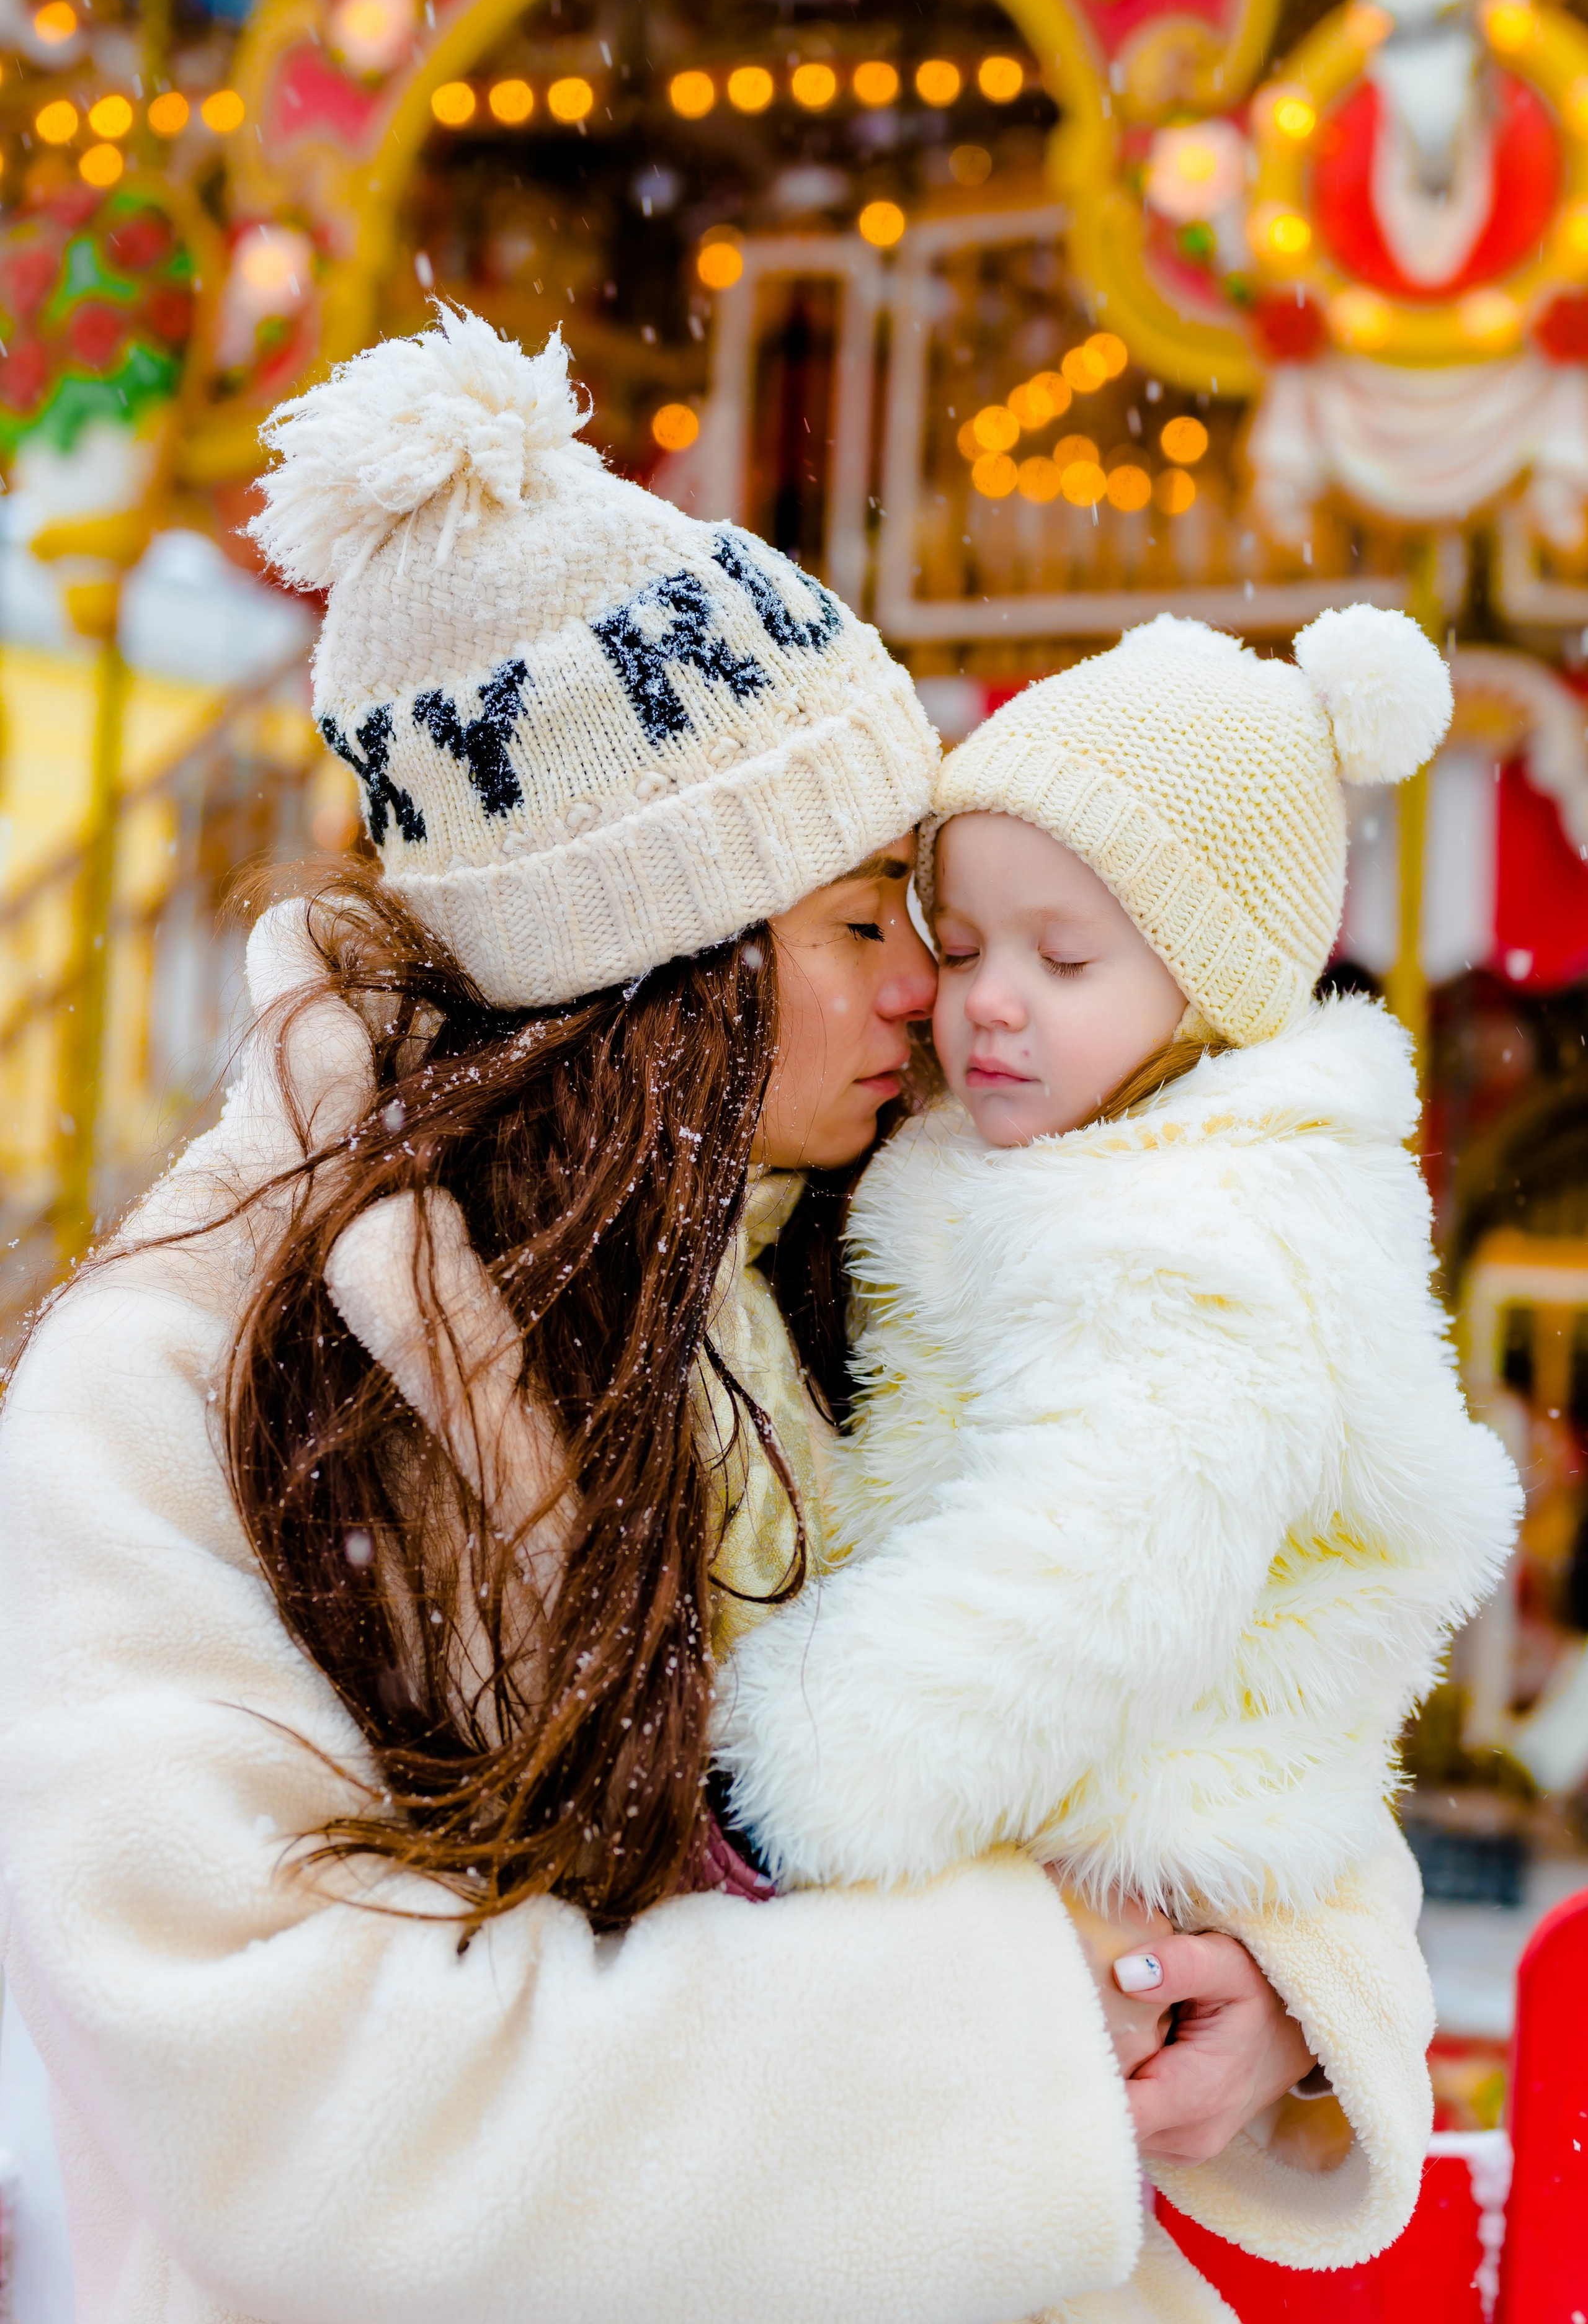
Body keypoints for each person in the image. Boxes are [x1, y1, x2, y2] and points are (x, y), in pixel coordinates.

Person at [0, 313, 1435, 2324]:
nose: (935, 988)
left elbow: (1214, 1650)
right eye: (865, 920)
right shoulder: (173, 1387)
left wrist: (1275, 1963)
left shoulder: (853, 1245)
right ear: (657, 959)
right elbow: (307, 2103)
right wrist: (1030, 2009)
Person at [717, 614, 1521, 2109]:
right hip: (1040, 1823)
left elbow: (1082, 1576)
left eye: (1064, 955)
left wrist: (783, 1783)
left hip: (1110, 1830)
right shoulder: (1058, 1158)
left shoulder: (1198, 1234)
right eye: (960, 947)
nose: (983, 1000)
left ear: (1208, 986)